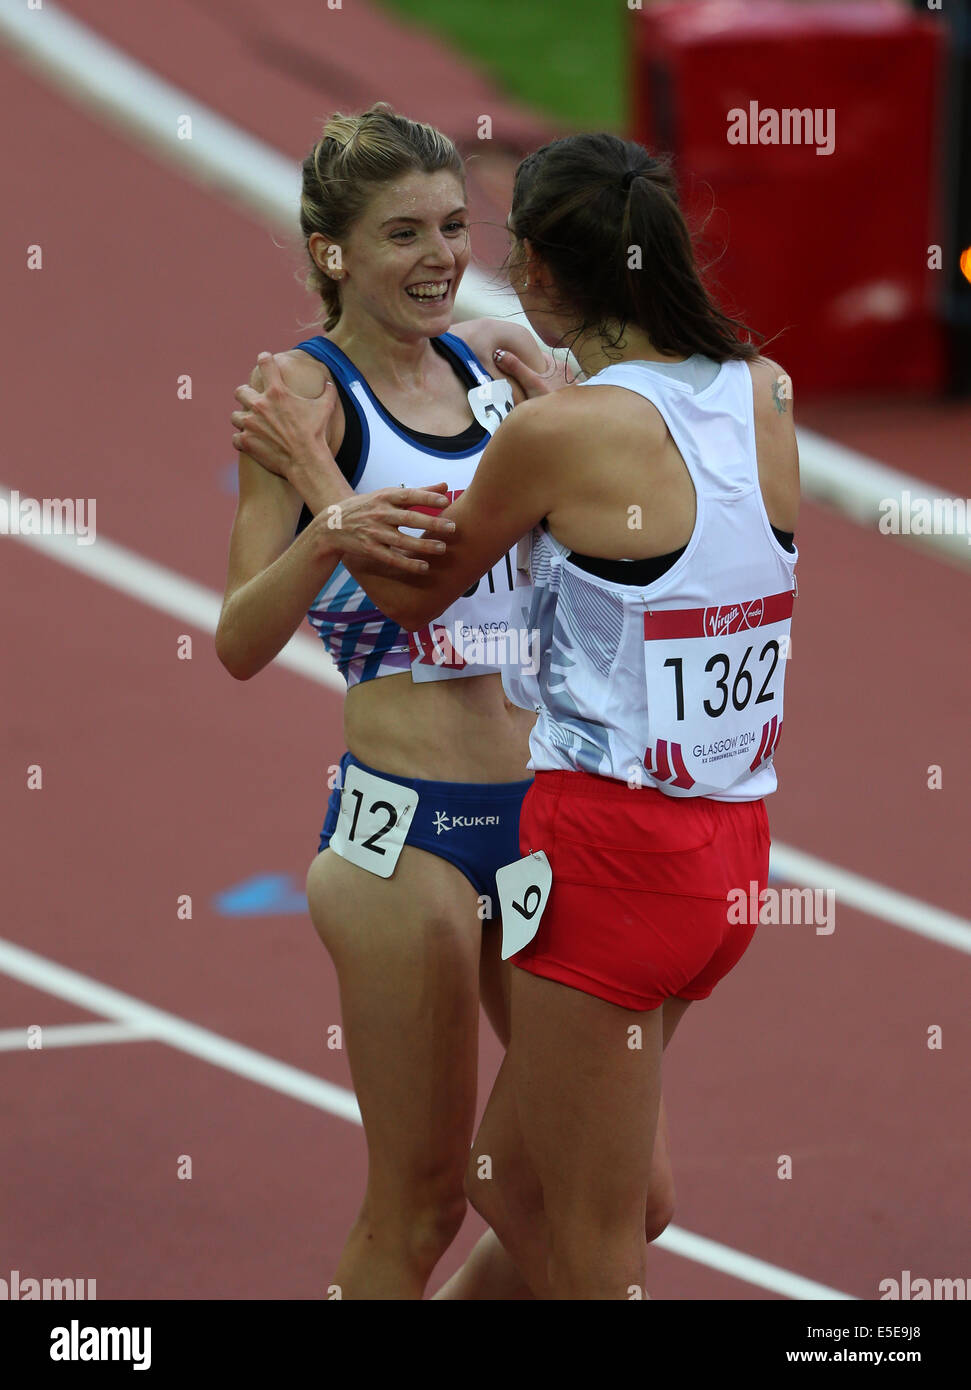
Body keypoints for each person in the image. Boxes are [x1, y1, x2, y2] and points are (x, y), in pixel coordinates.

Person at [232, 130, 800, 1300]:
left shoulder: (504, 369)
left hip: (547, 820)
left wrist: (565, 396)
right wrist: (326, 522)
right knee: (429, 1196)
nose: (441, 257)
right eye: (403, 234)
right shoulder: (300, 399)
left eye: (454, 227)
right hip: (413, 835)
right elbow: (239, 639)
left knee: (613, 1199)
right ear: (328, 253)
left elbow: (602, 543)